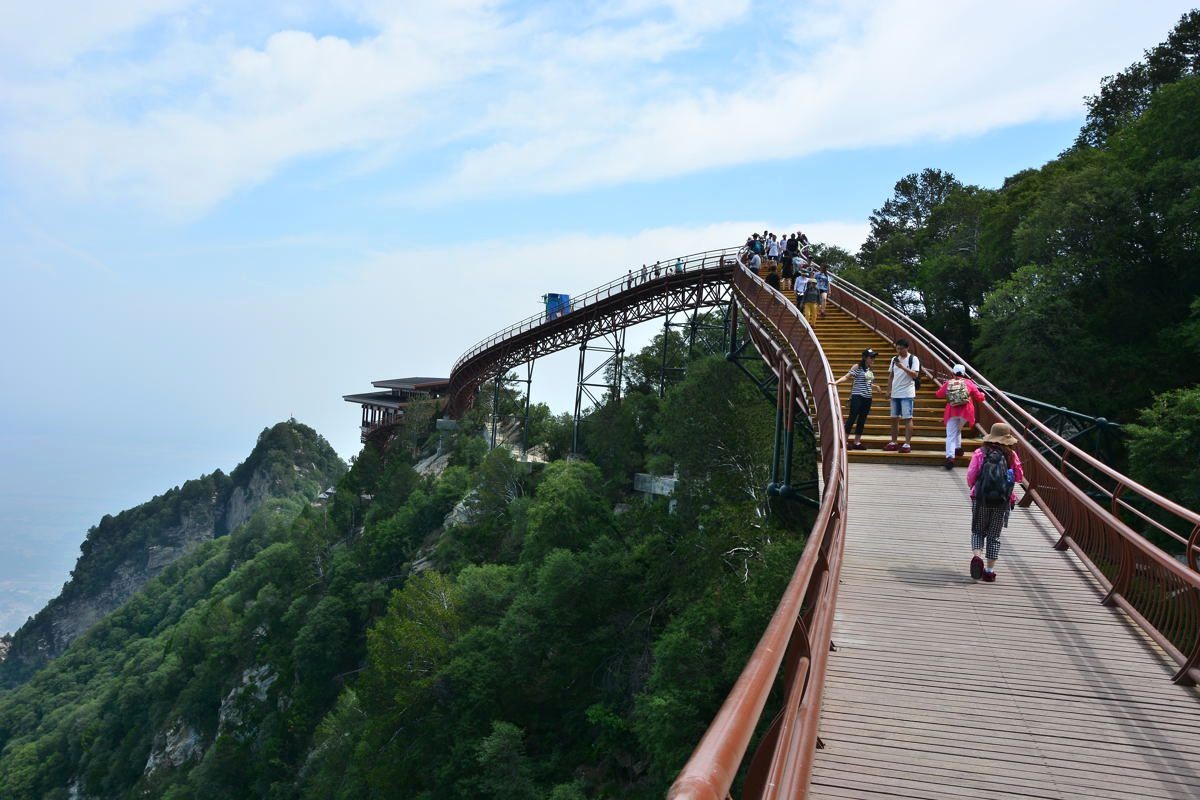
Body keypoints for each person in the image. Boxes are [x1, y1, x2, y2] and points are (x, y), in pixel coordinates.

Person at [966, 422, 1024, 582]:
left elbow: (971, 475)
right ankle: (989, 571)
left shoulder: (980, 453)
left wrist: (974, 488)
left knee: (978, 530)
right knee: (994, 535)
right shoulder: (1011, 455)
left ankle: (977, 556)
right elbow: (1017, 477)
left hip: (981, 498)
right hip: (1002, 501)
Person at [935, 364, 985, 469]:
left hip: (952, 412)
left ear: (953, 373)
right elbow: (979, 397)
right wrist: (983, 395)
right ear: (963, 373)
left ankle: (950, 457)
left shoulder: (949, 383)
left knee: (951, 435)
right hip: (966, 412)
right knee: (958, 429)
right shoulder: (969, 383)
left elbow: (938, 394)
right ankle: (958, 448)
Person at [832, 348, 881, 450]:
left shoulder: (869, 369)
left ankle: (857, 442)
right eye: (871, 357)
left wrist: (875, 386)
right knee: (852, 418)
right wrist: (836, 383)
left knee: (862, 419)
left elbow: (867, 383)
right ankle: (844, 441)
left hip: (867, 397)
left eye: (874, 357)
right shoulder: (857, 367)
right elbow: (847, 376)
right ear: (864, 358)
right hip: (857, 395)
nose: (873, 359)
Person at [884, 338, 920, 453]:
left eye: (901, 349)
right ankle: (894, 442)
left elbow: (915, 375)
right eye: (897, 348)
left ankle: (907, 444)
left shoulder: (913, 359)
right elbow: (891, 375)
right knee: (894, 418)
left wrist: (903, 367)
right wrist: (888, 390)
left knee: (907, 418)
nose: (899, 351)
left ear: (907, 348)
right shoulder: (894, 359)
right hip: (895, 393)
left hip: (907, 393)